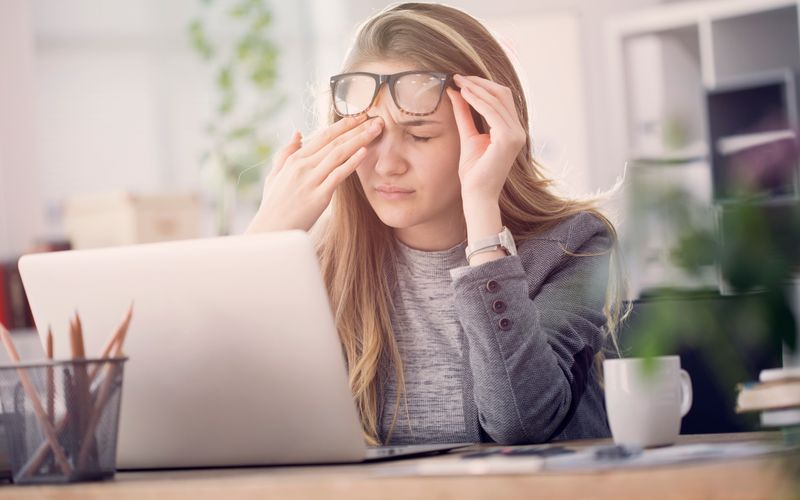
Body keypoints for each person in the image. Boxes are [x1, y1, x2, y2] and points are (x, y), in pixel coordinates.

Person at [246, 2, 626, 446]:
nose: (387, 164)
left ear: (486, 135)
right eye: (369, 133)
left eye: (420, 135)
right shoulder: (322, 262)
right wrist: (263, 244)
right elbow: (232, 419)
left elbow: (521, 423)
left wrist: (483, 216)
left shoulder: (572, 246)